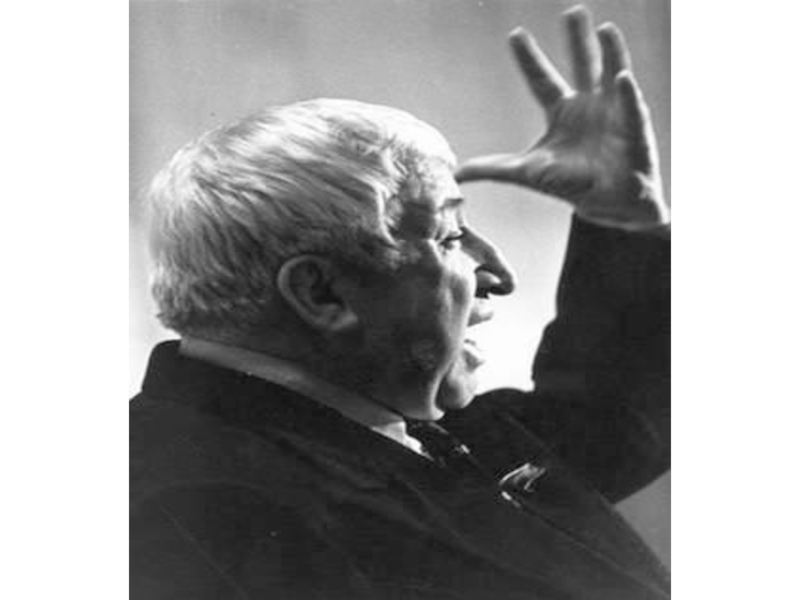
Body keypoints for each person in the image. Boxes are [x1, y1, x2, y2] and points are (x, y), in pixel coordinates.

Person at [130, 6, 670, 599]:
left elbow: (611, 420)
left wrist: (623, 218)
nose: (497, 275)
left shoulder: (386, 419)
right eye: (450, 236)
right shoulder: (195, 516)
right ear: (321, 293)